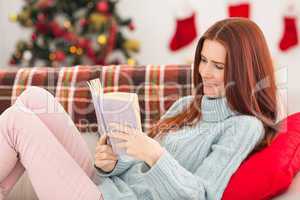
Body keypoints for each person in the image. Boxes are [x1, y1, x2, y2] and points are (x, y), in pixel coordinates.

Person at [0, 17, 279, 200]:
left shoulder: (243, 126)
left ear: (244, 70)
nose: (205, 72)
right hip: (109, 187)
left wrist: (155, 154)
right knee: (34, 97)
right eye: (203, 60)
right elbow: (135, 165)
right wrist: (110, 163)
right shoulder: (187, 106)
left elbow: (202, 195)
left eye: (218, 66)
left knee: (16, 122)